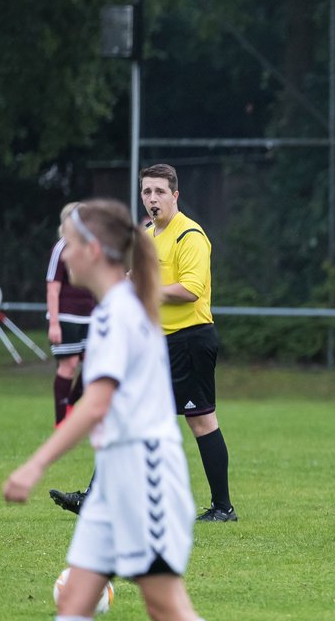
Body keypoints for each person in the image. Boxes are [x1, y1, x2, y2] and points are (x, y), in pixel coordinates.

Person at [0, 200, 258, 621]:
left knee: (165, 605)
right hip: (115, 478)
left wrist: (35, 464)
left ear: (93, 251)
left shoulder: (118, 313)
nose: (62, 255)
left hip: (145, 478)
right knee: (77, 597)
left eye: (68, 242)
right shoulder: (121, 306)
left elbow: (96, 403)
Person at [48, 165, 238, 521]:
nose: (152, 199)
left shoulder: (190, 235)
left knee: (201, 421)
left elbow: (190, 290)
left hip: (191, 340)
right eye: (146, 192)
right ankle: (98, 497)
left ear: (175, 195)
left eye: (159, 192)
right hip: (160, 342)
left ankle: (223, 508)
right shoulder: (148, 235)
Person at [45, 205, 99, 515]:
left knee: (91, 366)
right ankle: (61, 420)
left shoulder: (92, 247)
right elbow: (53, 286)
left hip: (89, 317)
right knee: (68, 366)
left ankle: (73, 408)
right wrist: (53, 321)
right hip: (65, 316)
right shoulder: (61, 247)